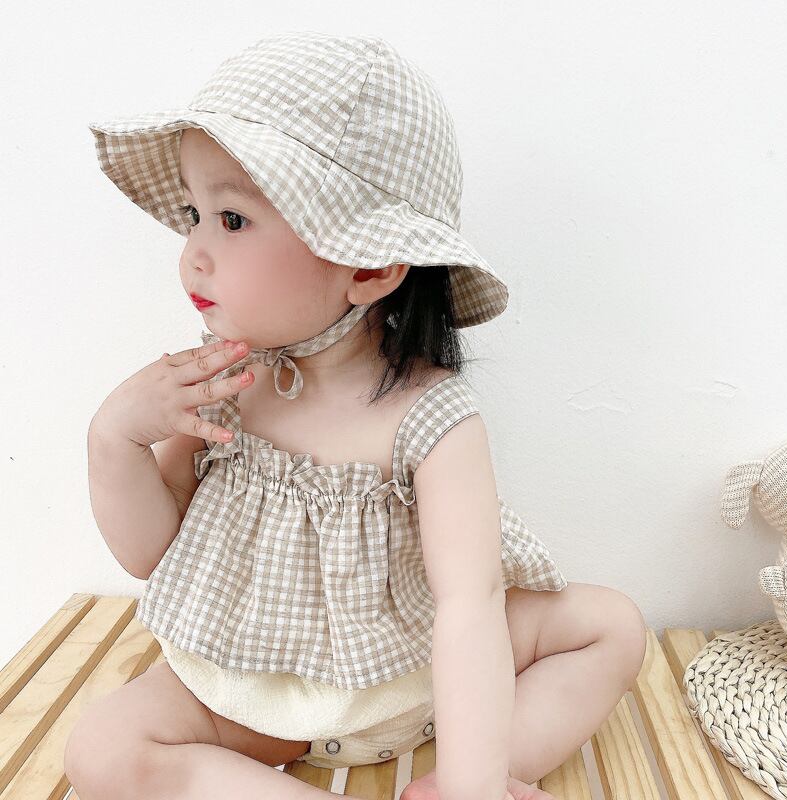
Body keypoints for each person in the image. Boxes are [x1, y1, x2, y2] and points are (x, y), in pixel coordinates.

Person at [64, 31, 647, 800]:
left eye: (231, 220)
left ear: (370, 265)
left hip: (418, 683)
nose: (192, 251)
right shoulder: (221, 379)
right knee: (100, 749)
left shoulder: (431, 418)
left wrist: (472, 779)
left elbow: (470, 607)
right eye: (192, 212)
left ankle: (465, 783)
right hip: (254, 694)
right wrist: (116, 437)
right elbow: (149, 553)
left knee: (611, 627)